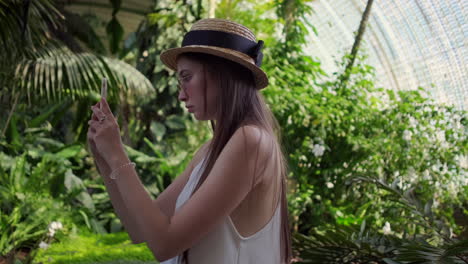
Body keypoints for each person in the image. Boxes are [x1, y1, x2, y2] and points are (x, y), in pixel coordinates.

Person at [87, 18, 292, 264]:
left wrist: (117, 153)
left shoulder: (251, 141)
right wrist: (105, 160)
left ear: (221, 74)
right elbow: (139, 230)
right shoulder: (213, 148)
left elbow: (165, 245)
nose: (181, 95)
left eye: (186, 77)